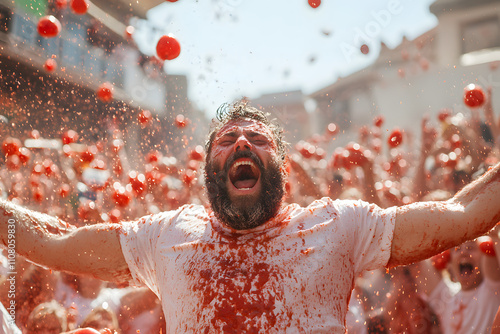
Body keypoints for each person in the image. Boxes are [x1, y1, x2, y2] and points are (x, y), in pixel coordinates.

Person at [2, 101, 500, 333]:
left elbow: (462, 213)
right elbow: (52, 241)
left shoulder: (339, 224)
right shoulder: (164, 235)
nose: (242, 141)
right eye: (227, 140)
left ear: (281, 169)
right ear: (208, 171)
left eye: (258, 139)